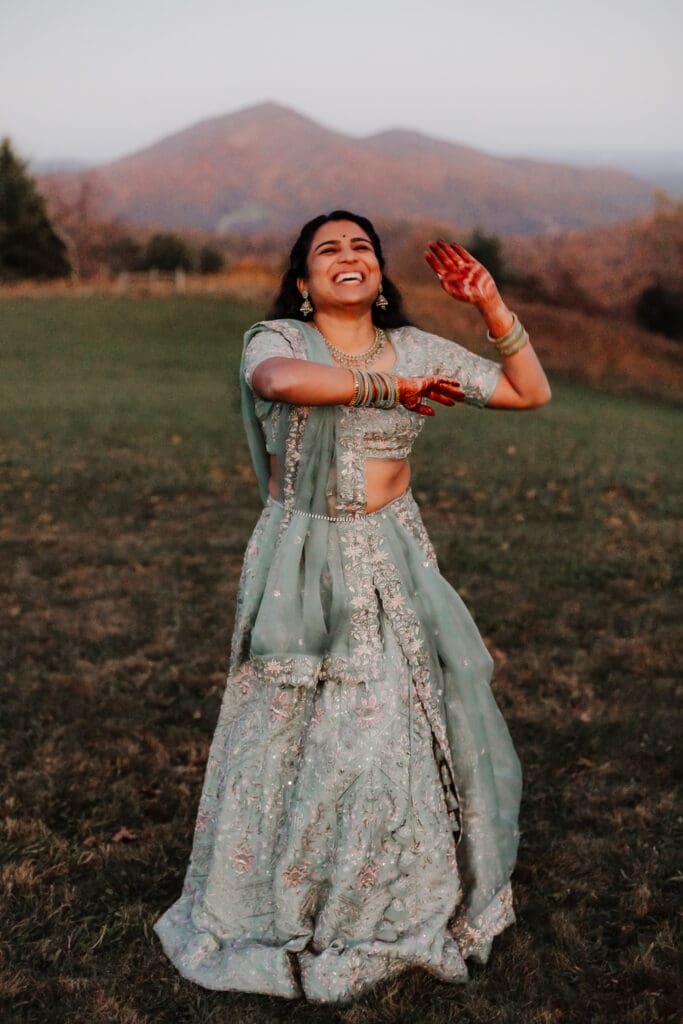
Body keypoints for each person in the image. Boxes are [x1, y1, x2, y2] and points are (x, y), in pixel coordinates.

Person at [154, 210, 551, 1003]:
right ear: (303, 284)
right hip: (303, 559)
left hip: (394, 556)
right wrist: (389, 389)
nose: (348, 255)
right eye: (327, 249)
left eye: (361, 247)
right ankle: (274, 893)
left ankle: (382, 894)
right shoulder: (277, 340)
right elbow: (277, 386)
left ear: (378, 275)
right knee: (286, 734)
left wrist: (491, 307)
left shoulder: (417, 347)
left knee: (383, 736)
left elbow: (525, 391)